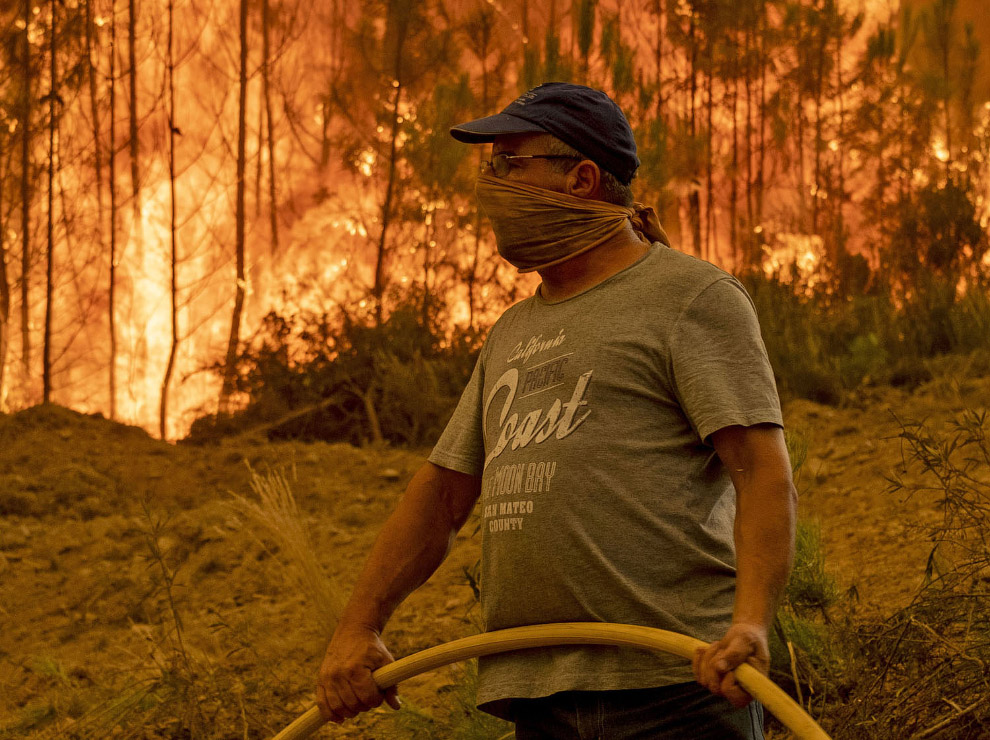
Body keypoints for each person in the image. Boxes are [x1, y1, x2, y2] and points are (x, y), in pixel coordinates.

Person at [316, 82, 797, 740]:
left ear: (583, 178)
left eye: (511, 163)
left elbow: (760, 471)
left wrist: (749, 623)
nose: (492, 184)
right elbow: (442, 494)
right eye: (490, 166)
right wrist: (359, 626)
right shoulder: (511, 331)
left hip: (677, 686)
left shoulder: (690, 296)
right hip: (541, 695)